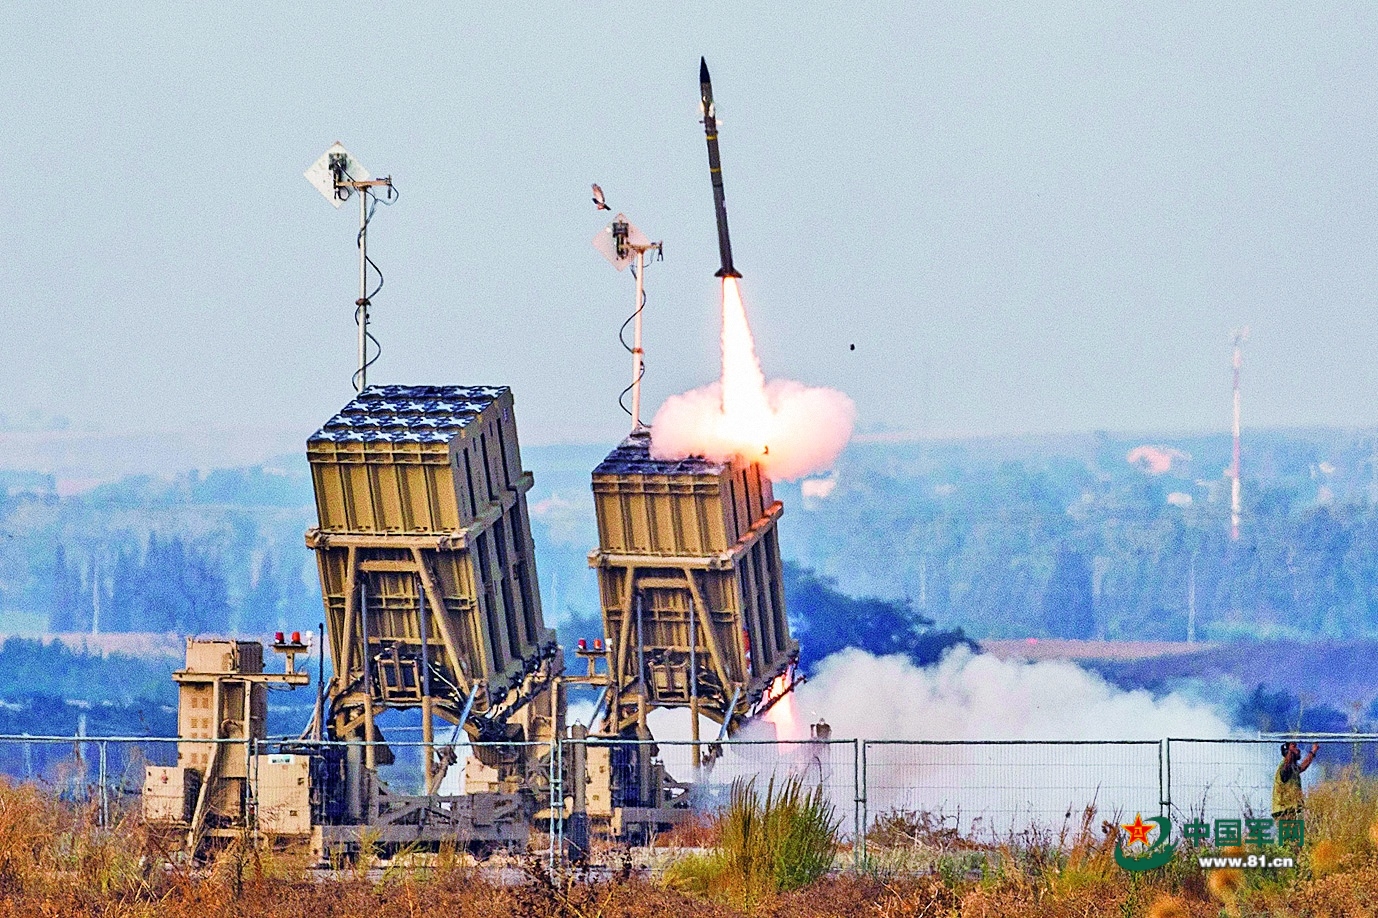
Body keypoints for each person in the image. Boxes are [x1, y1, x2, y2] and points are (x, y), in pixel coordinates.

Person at [1272, 741, 1320, 819]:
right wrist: (1290, 751)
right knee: (1291, 831)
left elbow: (1303, 766)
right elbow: (1287, 763)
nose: (1298, 750)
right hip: (1284, 811)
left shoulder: (1293, 768)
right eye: (1294, 747)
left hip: (1292, 810)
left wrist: (1313, 751)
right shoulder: (1284, 768)